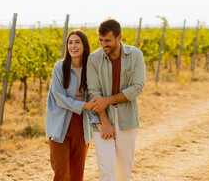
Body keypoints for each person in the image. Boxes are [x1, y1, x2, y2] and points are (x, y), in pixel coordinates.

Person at [86, 18, 146, 181]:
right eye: (100, 40)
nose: (103, 44)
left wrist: (108, 100)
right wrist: (104, 122)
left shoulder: (135, 55)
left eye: (107, 40)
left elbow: (137, 87)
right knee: (106, 169)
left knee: (123, 172)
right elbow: (94, 91)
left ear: (119, 38)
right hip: (102, 118)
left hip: (127, 118)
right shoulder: (93, 59)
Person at [45, 30, 97, 181]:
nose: (73, 46)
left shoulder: (91, 69)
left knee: (77, 173)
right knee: (61, 171)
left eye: (77, 42)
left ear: (85, 46)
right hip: (59, 122)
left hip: (82, 124)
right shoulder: (59, 68)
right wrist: (83, 105)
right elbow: (59, 97)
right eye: (70, 42)